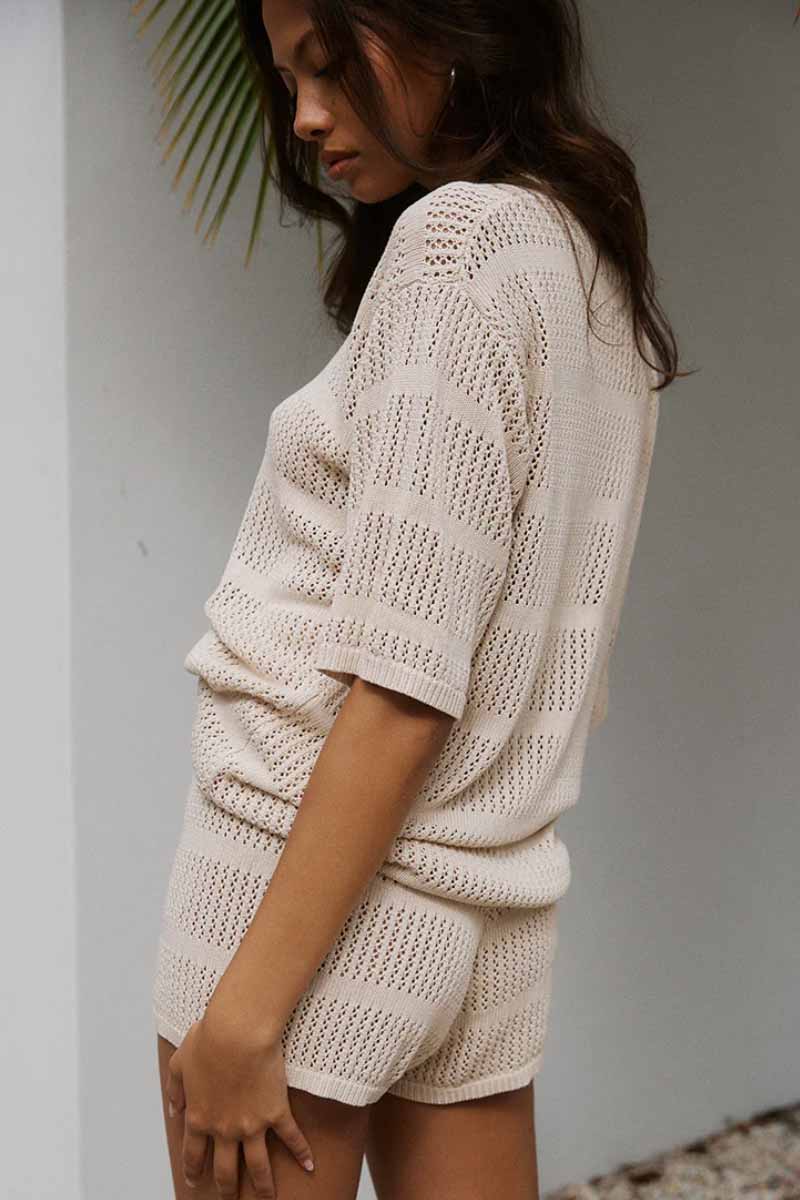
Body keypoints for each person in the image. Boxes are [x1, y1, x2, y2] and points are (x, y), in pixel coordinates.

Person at [152, 0, 684, 1195]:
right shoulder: (579, 254)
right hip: (486, 891)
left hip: (294, 878)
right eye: (289, 80)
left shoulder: (451, 252)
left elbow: (403, 686)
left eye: (330, 64)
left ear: (450, 27)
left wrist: (245, 1010)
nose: (305, 118)